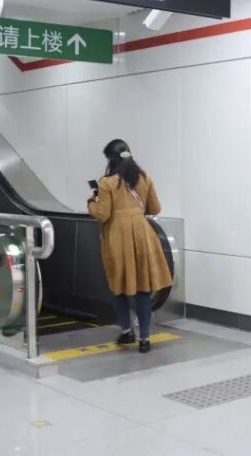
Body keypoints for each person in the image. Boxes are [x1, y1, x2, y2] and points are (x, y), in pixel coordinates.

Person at [87, 139, 172, 353]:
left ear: (112, 159)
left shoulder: (107, 183)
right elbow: (155, 208)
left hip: (118, 238)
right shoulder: (144, 177)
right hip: (143, 235)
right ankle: (145, 338)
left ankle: (127, 331)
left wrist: (91, 201)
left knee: (119, 286)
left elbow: (102, 214)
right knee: (143, 288)